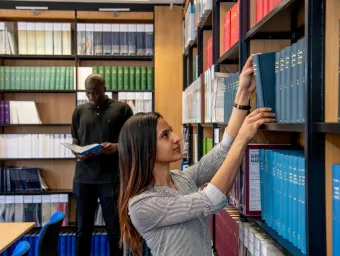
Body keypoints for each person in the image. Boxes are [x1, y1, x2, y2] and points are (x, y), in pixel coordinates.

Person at [117, 55, 276, 256]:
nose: (176, 138)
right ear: (145, 149)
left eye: (171, 131)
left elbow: (223, 150)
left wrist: (243, 93)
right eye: (165, 136)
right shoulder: (142, 204)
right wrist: (243, 139)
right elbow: (211, 199)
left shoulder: (182, 178)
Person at [71, 74, 133, 256]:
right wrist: (77, 152)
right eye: (88, 92)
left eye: (96, 93)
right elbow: (75, 141)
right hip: (83, 179)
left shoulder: (122, 109)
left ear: (105, 89)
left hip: (111, 179)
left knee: (114, 230)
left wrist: (116, 147)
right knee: (82, 230)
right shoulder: (79, 111)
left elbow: (133, 142)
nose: (92, 97)